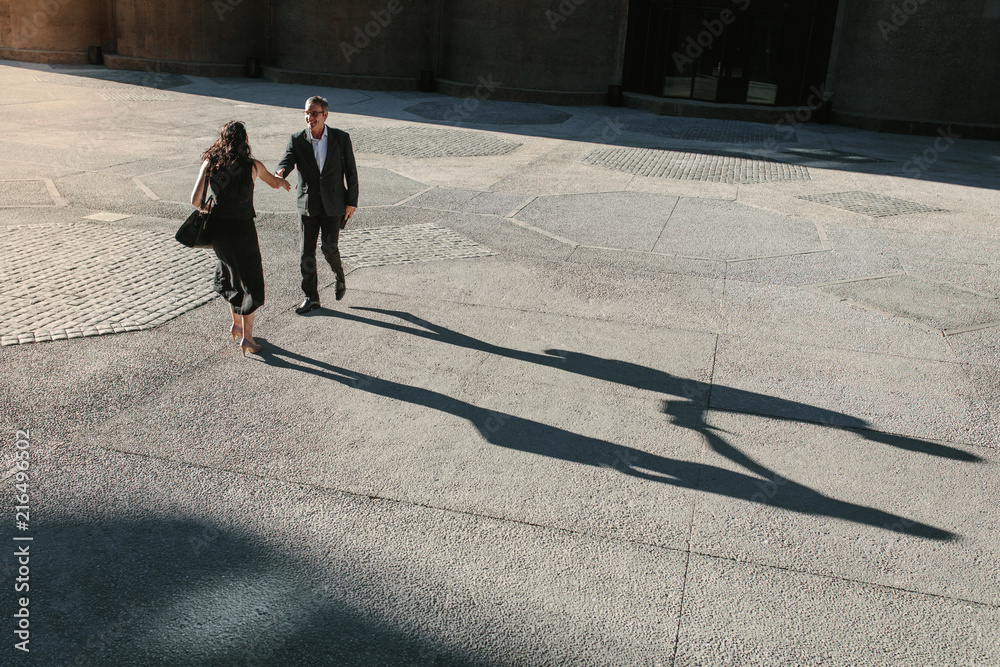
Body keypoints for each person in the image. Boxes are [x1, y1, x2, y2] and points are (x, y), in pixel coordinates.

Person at [191, 121, 290, 356]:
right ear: (244, 140)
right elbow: (275, 183)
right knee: (250, 281)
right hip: (243, 231)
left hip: (218, 231)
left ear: (222, 140)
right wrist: (281, 179)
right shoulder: (252, 166)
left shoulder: (210, 164)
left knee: (228, 273)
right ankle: (247, 338)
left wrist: (214, 208)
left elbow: (196, 201)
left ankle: (236, 324)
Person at [274, 95, 359, 314]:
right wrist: (281, 171)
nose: (309, 117)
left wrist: (352, 202)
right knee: (306, 253)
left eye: (314, 113)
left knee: (329, 248)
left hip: (333, 203)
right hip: (308, 204)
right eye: (306, 113)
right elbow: (287, 160)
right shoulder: (297, 139)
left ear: (325, 115)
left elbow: (351, 171)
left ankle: (340, 277)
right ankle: (311, 297)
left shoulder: (340, 138)